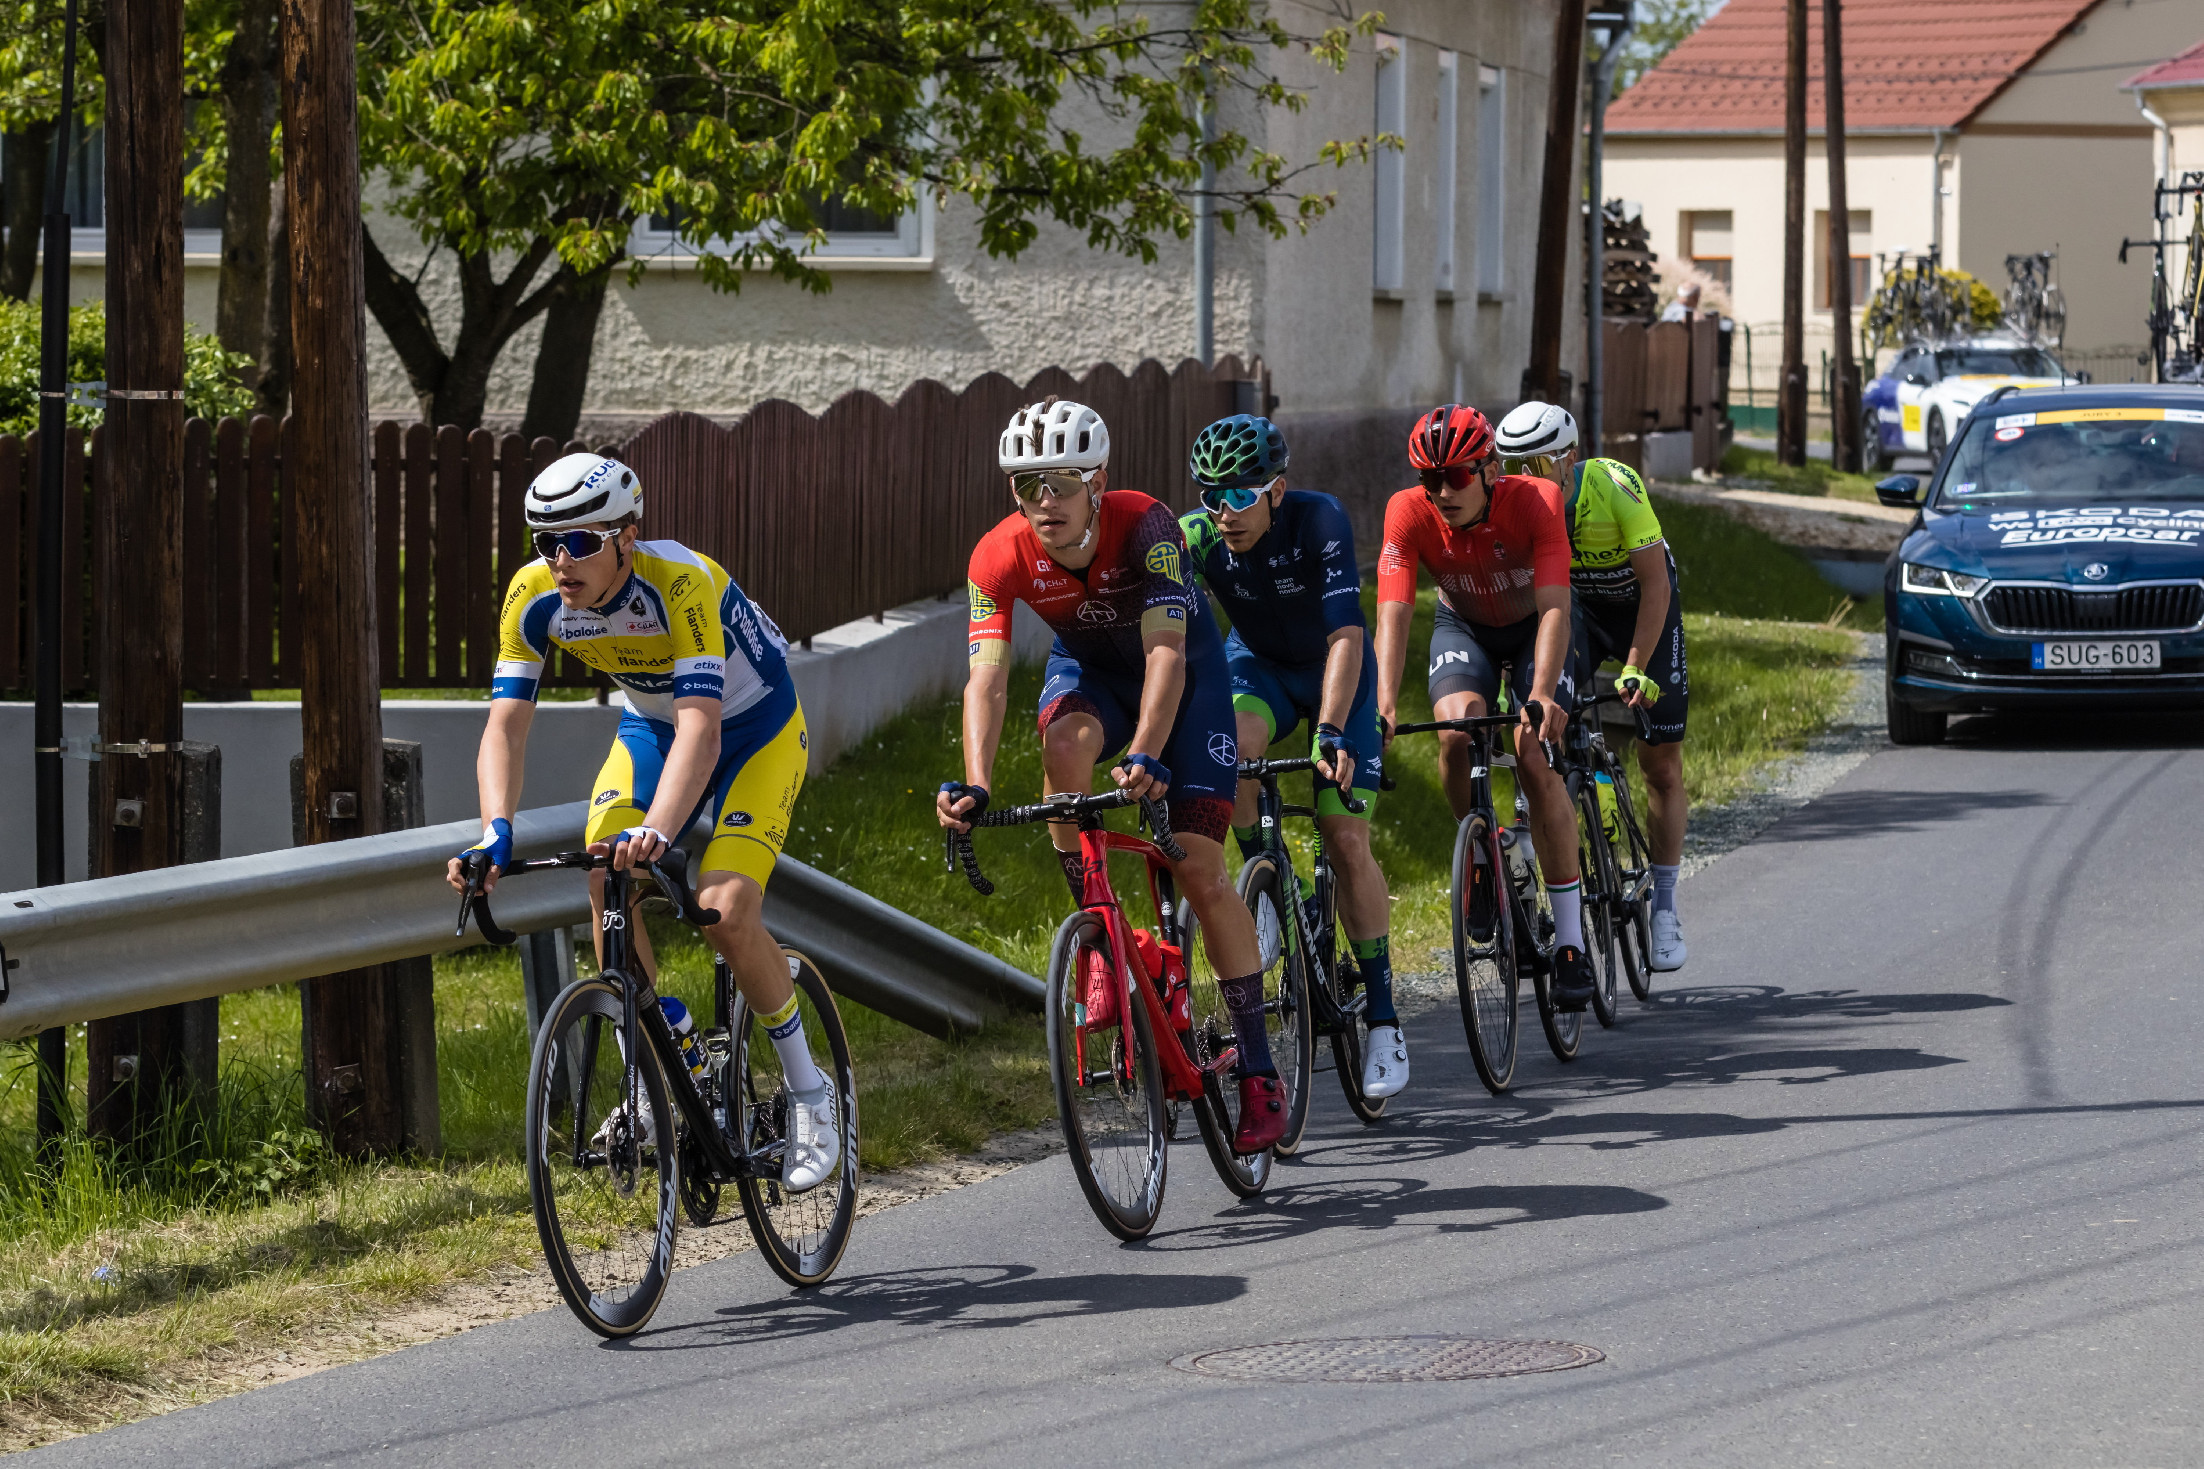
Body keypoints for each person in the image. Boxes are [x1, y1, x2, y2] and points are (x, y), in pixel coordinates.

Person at [446, 453, 839, 1191]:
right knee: (604, 868)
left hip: (754, 730)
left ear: (628, 536)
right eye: (546, 543)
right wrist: (494, 830)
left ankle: (811, 1094)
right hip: (654, 730)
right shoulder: (534, 597)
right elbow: (504, 728)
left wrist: (659, 830)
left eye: (582, 542)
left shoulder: (681, 582)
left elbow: (706, 728)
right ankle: (658, 1069)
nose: (562, 561)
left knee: (723, 909)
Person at [937, 398, 1288, 1153]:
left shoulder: (1150, 525)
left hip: (1184, 686)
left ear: (1097, 478)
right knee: (1061, 750)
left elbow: (1166, 652)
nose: (1046, 502)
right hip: (1092, 675)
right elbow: (987, 681)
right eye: (1028, 486)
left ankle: (1259, 1066)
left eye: (1061, 482)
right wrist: (975, 779)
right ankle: (1101, 944)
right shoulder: (995, 556)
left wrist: (1149, 751)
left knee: (1199, 868)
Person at [1177, 414, 1409, 1099]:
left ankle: (1386, 1019)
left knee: (1343, 834)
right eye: (1210, 496)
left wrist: (1331, 729)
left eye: (1240, 496)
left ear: (1277, 491)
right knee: (1231, 755)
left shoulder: (1320, 520)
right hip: (1259, 667)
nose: (1224, 512)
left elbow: (1345, 634)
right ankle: (1271, 890)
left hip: (1337, 669)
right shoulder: (1197, 538)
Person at [1372, 404, 1598, 1010]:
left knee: (1533, 754)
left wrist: (1543, 692)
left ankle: (1571, 944)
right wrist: (1384, 705)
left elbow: (1554, 607)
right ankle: (1484, 852)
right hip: (1464, 626)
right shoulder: (1407, 512)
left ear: (1491, 468)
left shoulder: (1538, 501)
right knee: (1456, 733)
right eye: (1429, 479)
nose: (1441, 492)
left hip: (1535, 628)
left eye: (1457, 477)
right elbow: (1393, 611)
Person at [1497, 401, 1691, 971]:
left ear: (1569, 459)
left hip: (1640, 609)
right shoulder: (1516, 505)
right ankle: (1536, 831)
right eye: (1510, 466)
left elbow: (1655, 584)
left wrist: (1634, 664)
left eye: (1535, 465)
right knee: (1540, 716)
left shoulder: (1615, 486)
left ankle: (1666, 906)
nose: (1522, 479)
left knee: (1661, 763)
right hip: (1576, 610)